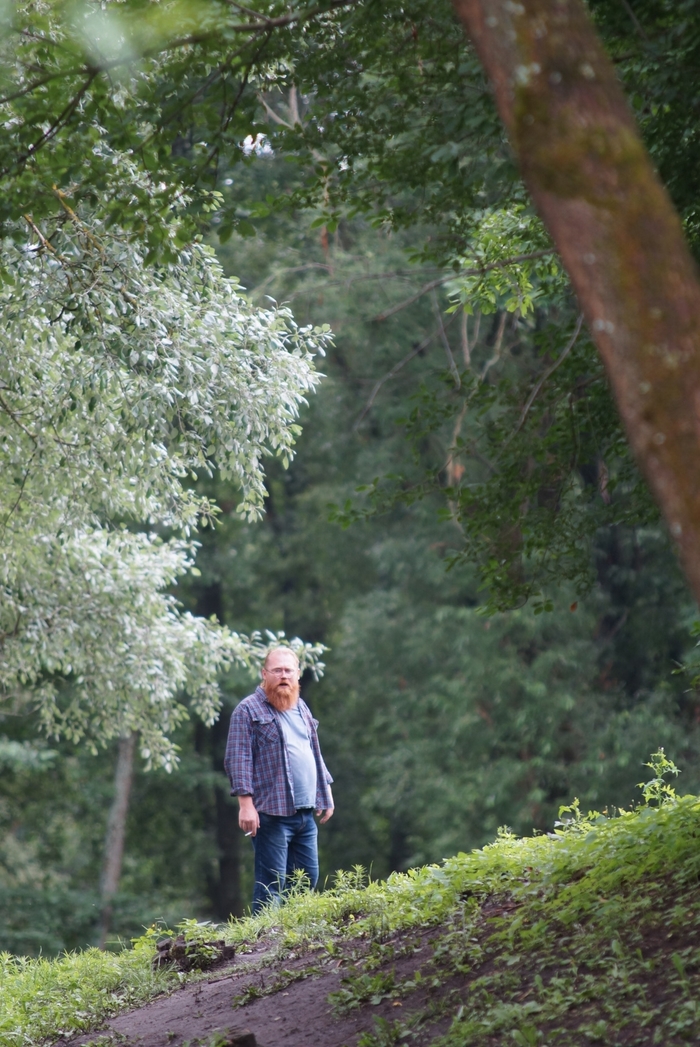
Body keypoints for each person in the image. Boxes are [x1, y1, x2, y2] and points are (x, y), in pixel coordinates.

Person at [224, 646, 334, 913]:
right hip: (270, 813)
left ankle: (291, 942)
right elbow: (237, 759)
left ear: (298, 674)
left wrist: (326, 791)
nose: (283, 676)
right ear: (265, 674)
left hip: (305, 811)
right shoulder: (247, 710)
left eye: (289, 670)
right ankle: (260, 947)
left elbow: (313, 751)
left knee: (307, 879)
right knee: (271, 883)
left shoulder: (301, 707)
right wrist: (245, 805)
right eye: (277, 670)